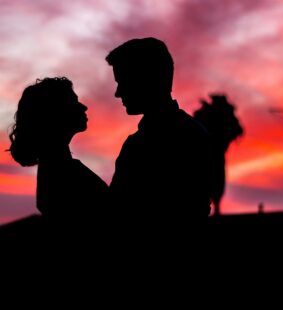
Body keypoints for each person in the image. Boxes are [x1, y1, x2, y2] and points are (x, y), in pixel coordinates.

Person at [106, 37, 213, 234]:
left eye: (123, 81)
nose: (118, 93)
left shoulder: (140, 145)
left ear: (147, 79)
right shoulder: (195, 133)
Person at [8, 77, 109, 236]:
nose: (84, 106)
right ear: (55, 112)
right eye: (73, 102)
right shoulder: (62, 173)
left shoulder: (56, 169)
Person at [193, 93, 244, 216]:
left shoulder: (217, 114)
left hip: (214, 154)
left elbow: (237, 130)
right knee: (212, 179)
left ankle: (215, 208)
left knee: (216, 180)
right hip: (209, 154)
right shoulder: (207, 115)